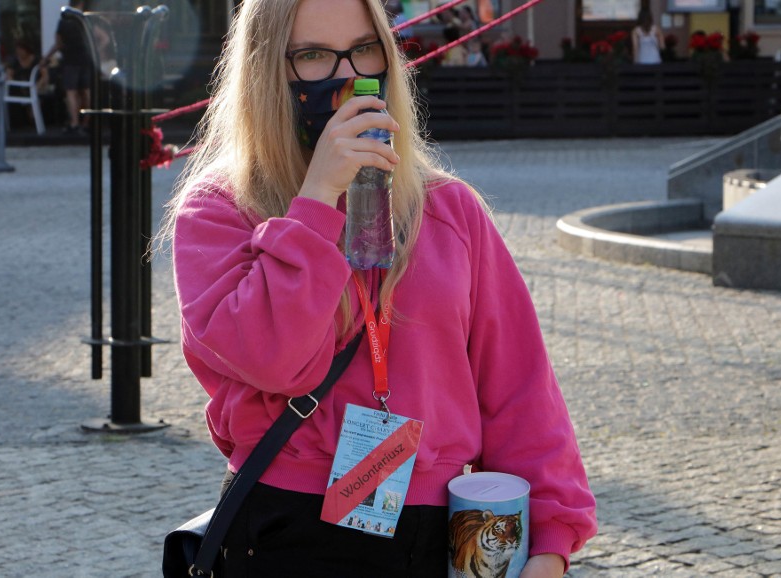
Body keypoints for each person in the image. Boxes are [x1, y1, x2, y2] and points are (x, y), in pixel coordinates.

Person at [159, 0, 597, 575]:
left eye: (365, 50)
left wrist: (550, 542)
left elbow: (519, 388)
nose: (347, 76)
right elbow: (274, 360)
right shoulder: (220, 210)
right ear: (267, 74)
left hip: (443, 524)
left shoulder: (449, 210)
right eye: (313, 56)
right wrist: (315, 203)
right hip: (287, 527)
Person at [40, 0, 92, 134]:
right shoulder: (85, 20)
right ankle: (87, 122)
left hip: (70, 60)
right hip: (85, 59)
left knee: (71, 92)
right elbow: (103, 38)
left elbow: (58, 43)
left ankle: (74, 122)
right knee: (86, 91)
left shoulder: (64, 22)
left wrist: (46, 58)